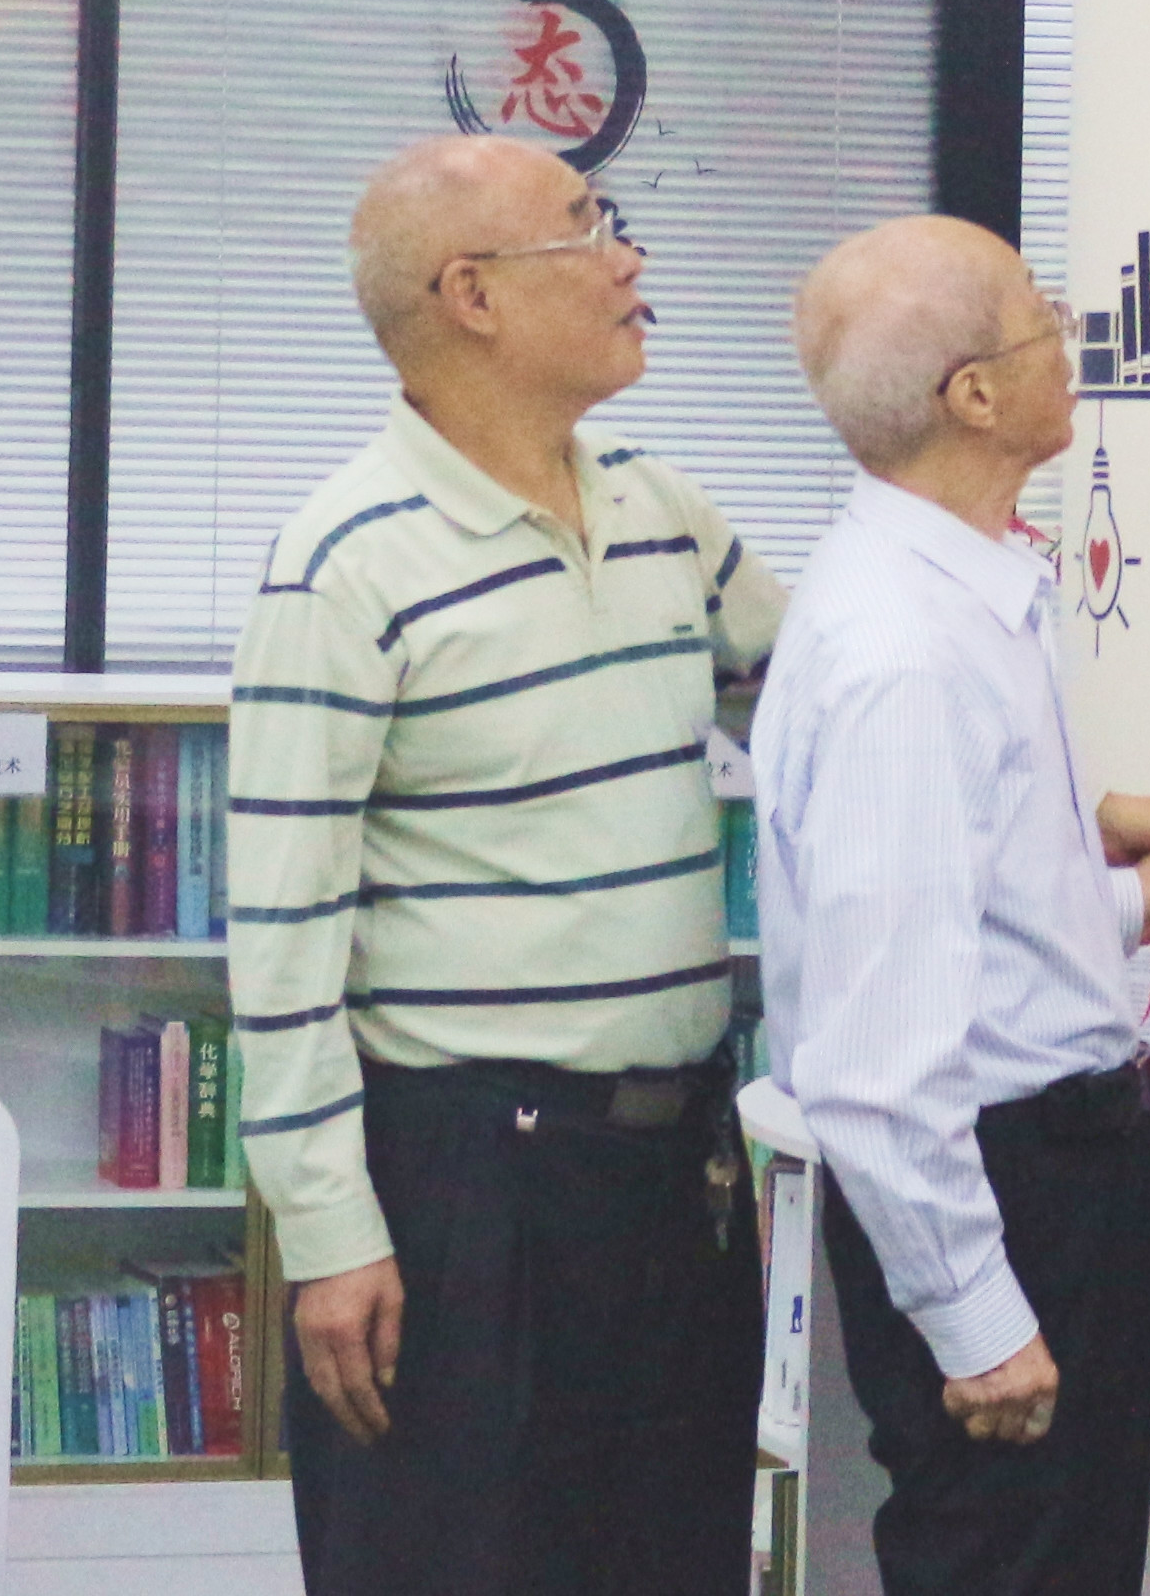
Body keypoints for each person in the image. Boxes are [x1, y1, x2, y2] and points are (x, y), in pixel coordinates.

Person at [225, 135, 786, 1596]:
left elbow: (840, 719)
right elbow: (283, 934)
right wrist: (330, 1231)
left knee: (673, 1562)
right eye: (589, 228)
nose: (630, 260)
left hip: (677, 1169)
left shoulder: (663, 508)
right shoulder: (344, 560)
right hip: (470, 1179)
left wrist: (1078, 822)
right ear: (471, 295)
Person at [754, 216, 1150, 1596]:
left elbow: (956, 924)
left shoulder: (960, 588)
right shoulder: (904, 652)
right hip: (1007, 1187)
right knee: (1008, 1564)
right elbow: (874, 1062)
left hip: (1057, 1172)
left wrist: (1125, 894)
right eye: (1045, 315)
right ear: (972, 394)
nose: (1071, 335)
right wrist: (973, 1312)